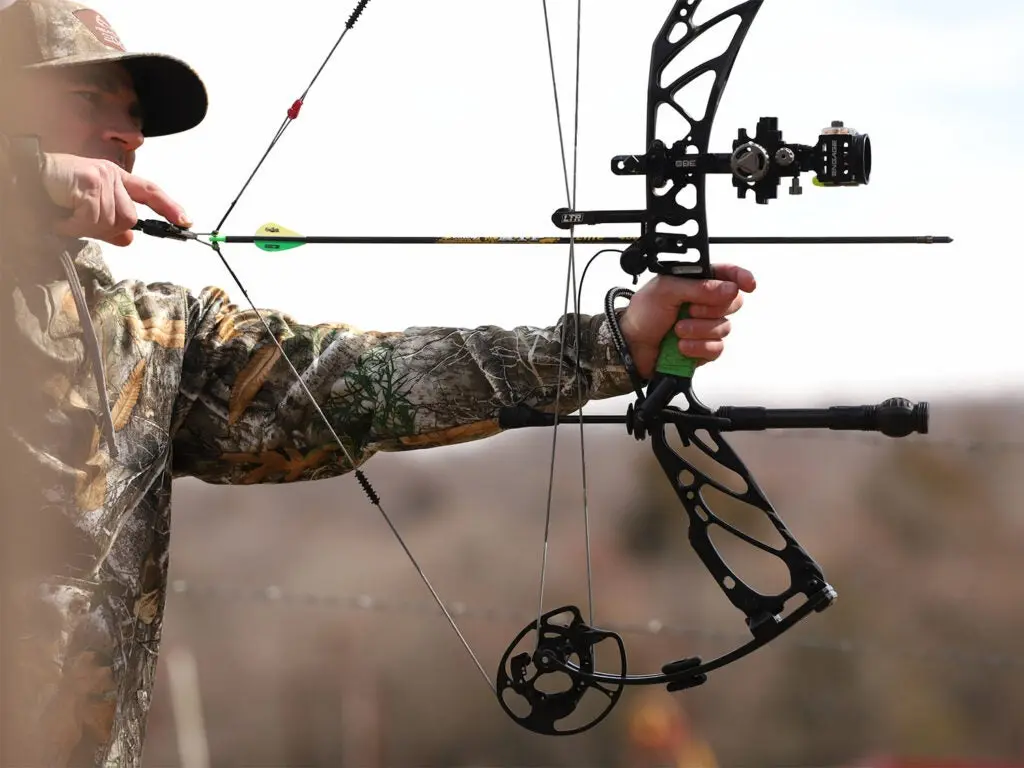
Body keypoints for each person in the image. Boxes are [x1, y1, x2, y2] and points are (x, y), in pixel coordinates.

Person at [0, 0, 757, 764]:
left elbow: (359, 382)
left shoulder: (154, 341)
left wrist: (612, 344)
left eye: (131, 114)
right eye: (83, 100)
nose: (126, 133)